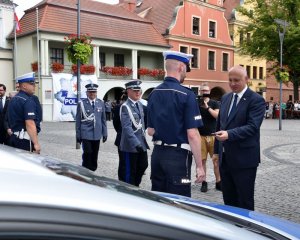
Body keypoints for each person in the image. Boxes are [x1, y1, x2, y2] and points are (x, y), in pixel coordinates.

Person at [147, 50, 205, 197]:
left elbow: (150, 131)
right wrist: (200, 166)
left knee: (159, 199)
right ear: (181, 68)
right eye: (186, 68)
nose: (186, 73)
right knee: (180, 201)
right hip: (178, 157)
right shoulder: (187, 94)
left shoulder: (153, 93)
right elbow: (192, 134)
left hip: (158, 155)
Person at [213, 65, 265, 210]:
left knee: (244, 201)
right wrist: (216, 152)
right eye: (230, 80)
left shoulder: (256, 100)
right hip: (225, 159)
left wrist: (229, 134)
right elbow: (219, 125)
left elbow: (252, 127)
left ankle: (247, 230)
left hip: (245, 160)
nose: (233, 83)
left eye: (237, 80)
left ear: (246, 79)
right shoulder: (225, 97)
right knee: (228, 199)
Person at [119, 80, 149, 186]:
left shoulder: (139, 105)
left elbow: (142, 124)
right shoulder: (125, 107)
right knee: (129, 171)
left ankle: (135, 185)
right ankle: (129, 190)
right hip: (130, 145)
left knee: (143, 165)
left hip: (141, 143)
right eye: (135, 90)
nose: (138, 93)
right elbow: (127, 128)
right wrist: (136, 143)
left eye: (139, 90)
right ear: (128, 91)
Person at [7, 72, 42, 153]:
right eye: (32, 84)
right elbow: (30, 123)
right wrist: (36, 143)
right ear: (24, 86)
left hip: (13, 138)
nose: (34, 86)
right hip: (24, 140)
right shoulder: (27, 100)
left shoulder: (14, 99)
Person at [76, 83, 107, 171]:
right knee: (87, 152)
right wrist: (78, 135)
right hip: (86, 133)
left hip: (97, 133)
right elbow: (78, 121)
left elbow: (103, 119)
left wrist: (105, 133)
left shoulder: (100, 103)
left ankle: (93, 170)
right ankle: (86, 170)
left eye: (94, 92)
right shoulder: (81, 104)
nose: (92, 94)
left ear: (96, 92)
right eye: (90, 92)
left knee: (94, 154)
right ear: (87, 93)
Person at [197, 83, 221, 192]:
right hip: (200, 136)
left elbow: (217, 116)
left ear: (209, 91)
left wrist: (207, 108)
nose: (205, 92)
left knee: (216, 160)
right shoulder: (196, 103)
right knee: (202, 161)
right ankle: (204, 182)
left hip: (213, 136)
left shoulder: (214, 103)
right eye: (203, 91)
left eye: (206, 90)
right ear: (200, 92)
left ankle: (218, 182)